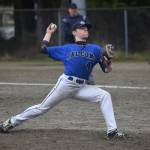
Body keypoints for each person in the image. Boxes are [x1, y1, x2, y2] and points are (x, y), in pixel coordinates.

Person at [0, 21, 124, 139]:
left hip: (81, 87)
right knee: (41, 108)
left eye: (86, 28)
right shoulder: (67, 48)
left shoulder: (96, 49)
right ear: (74, 32)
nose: (85, 29)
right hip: (66, 84)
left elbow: (106, 70)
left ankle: (112, 131)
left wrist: (109, 62)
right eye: (82, 28)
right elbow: (43, 49)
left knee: (104, 96)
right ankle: (10, 122)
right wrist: (48, 33)